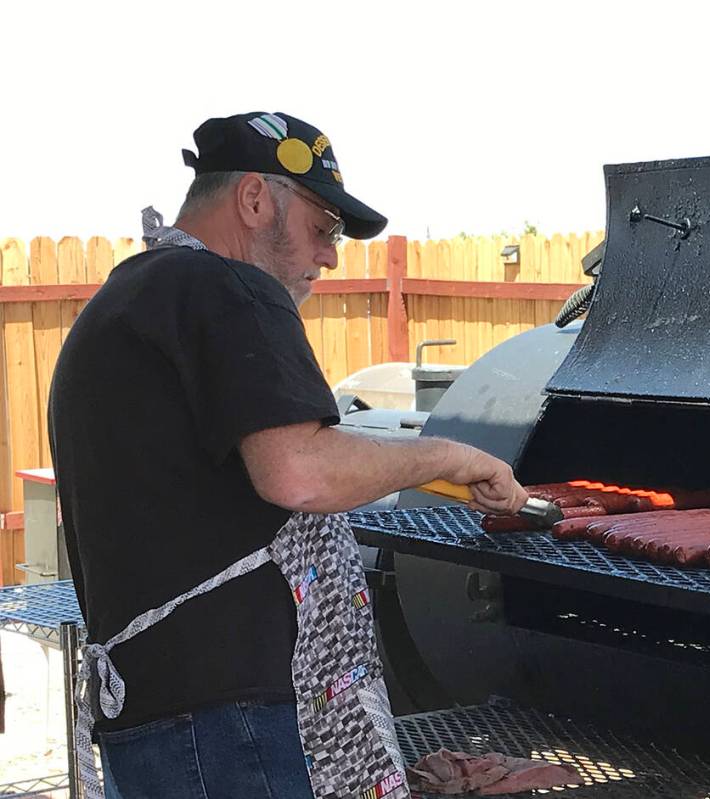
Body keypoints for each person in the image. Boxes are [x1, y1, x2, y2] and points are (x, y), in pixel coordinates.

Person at [48, 111, 528, 799]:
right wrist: (450, 456)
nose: (330, 255)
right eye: (322, 227)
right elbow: (299, 470)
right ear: (252, 200)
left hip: (160, 716)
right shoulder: (228, 288)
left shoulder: (132, 296)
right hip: (226, 723)